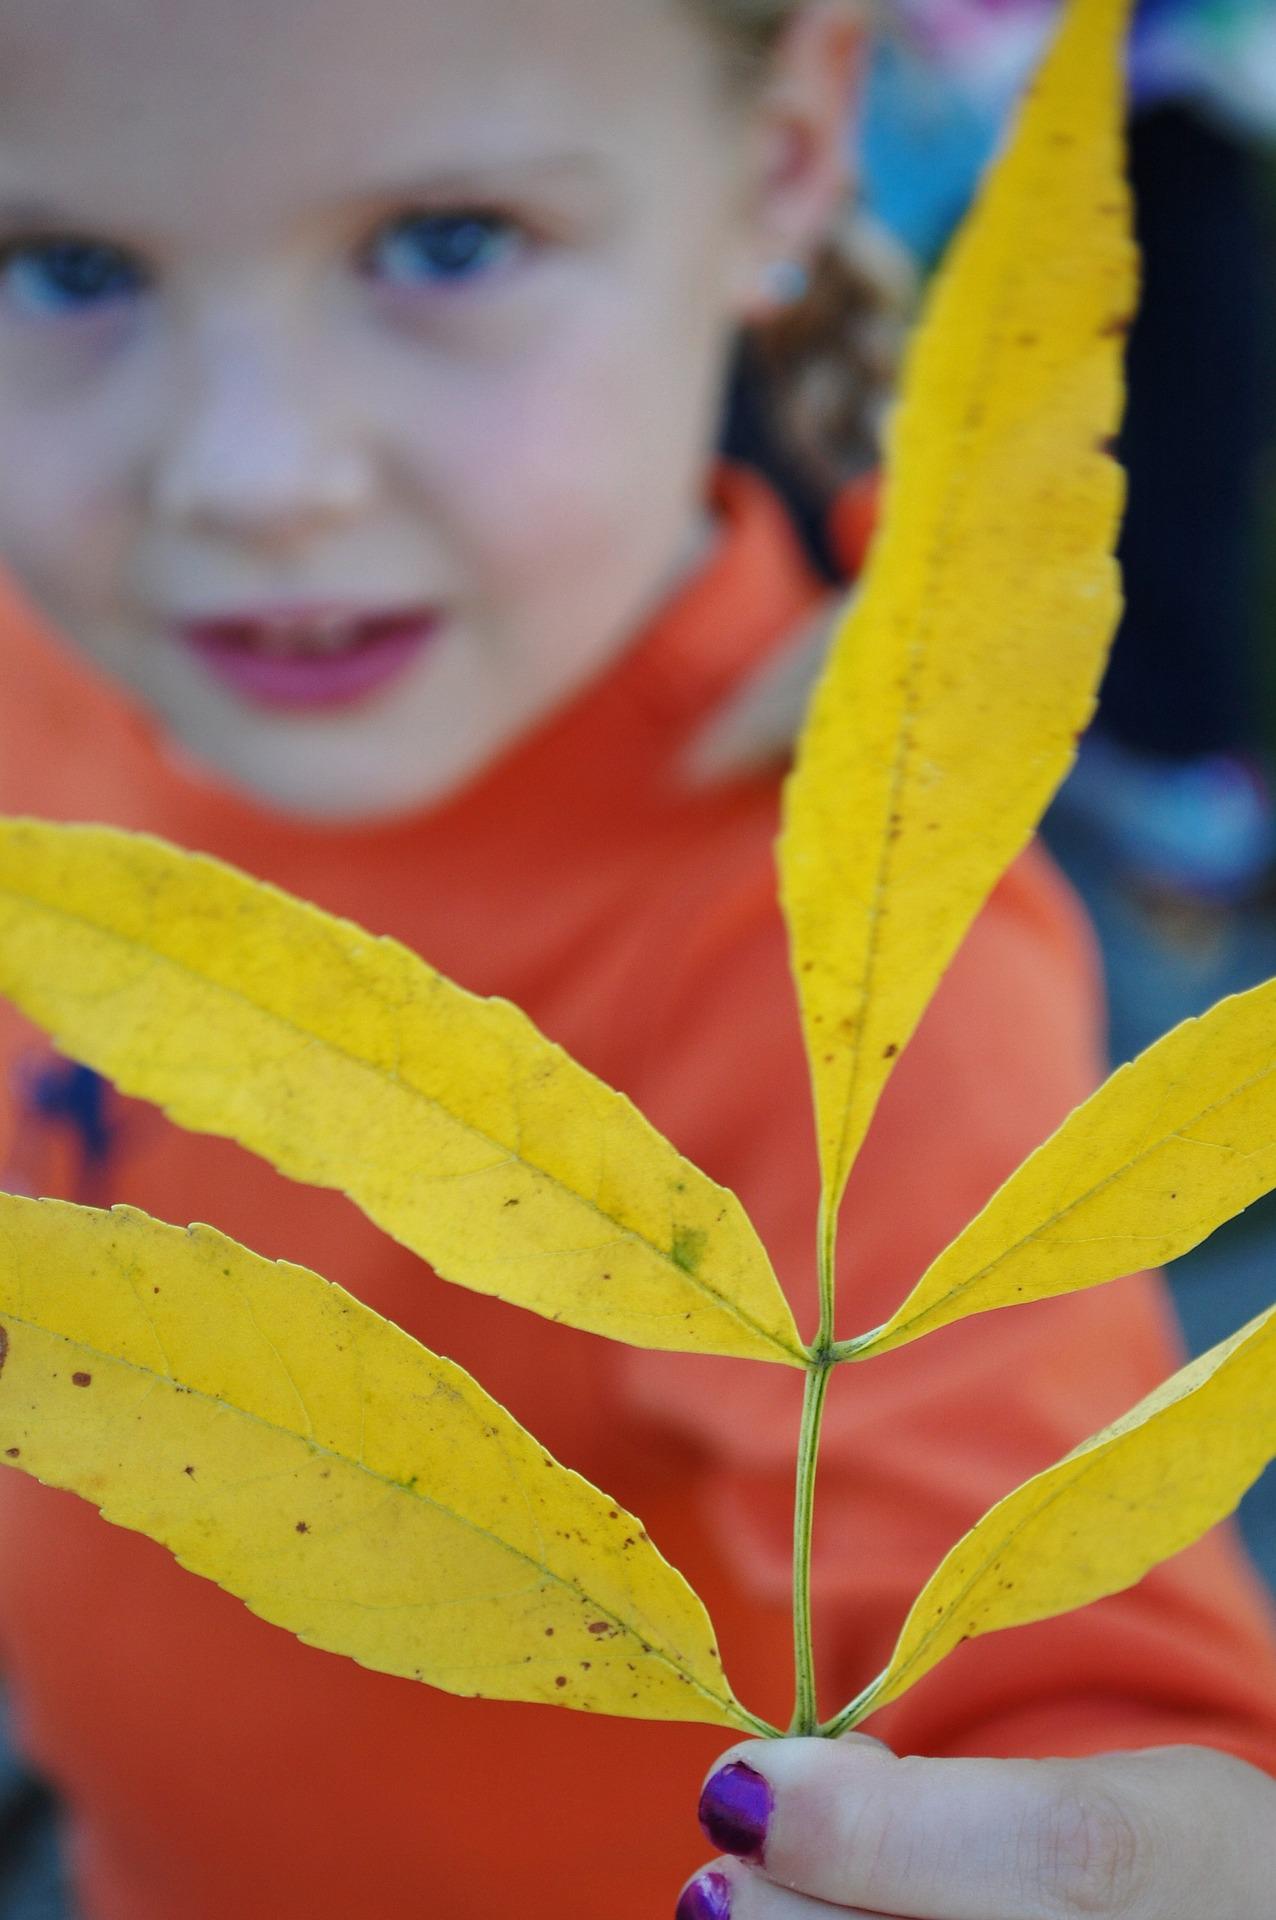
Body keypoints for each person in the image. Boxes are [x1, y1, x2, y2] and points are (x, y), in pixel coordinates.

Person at [0, 4, 1272, 1919]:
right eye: (63, 268)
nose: (251, 479)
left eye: (448, 241)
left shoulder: (833, 980)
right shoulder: (53, 681)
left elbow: (1089, 1720)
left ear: (781, 159)